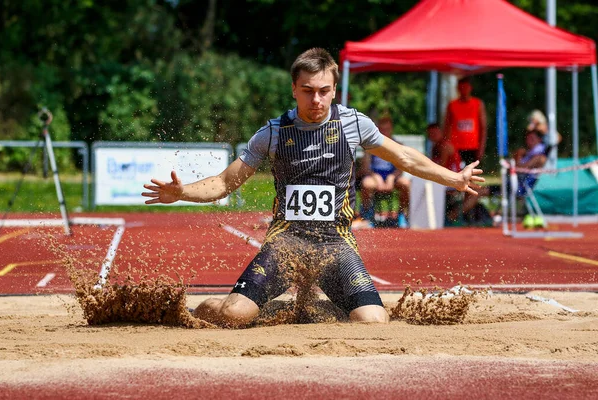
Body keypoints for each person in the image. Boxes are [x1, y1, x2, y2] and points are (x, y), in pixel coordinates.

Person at [142, 48, 484, 327]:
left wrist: (453, 178)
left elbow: (405, 157)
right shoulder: (272, 133)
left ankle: (312, 311)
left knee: (373, 321)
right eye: (307, 91)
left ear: (334, 90)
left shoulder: (353, 123)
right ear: (294, 89)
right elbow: (224, 182)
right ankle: (210, 307)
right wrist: (182, 192)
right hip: (285, 245)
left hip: (335, 247)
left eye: (323, 91)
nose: (316, 100)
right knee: (234, 315)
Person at [358, 115, 410, 226]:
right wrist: (377, 178)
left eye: (387, 129)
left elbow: (400, 169)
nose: (385, 132)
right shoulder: (370, 146)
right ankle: (368, 214)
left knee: (406, 183)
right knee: (366, 184)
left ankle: (402, 213)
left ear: (391, 129)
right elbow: (366, 168)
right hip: (375, 176)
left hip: (392, 176)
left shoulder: (398, 145)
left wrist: (391, 177)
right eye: (382, 130)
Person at [444, 76, 487, 165]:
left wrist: (481, 147)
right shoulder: (452, 105)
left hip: (473, 146)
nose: (463, 90)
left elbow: (483, 127)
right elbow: (447, 126)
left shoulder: (477, 104)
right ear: (457, 88)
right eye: (461, 88)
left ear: (470, 88)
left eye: (465, 87)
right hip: (455, 147)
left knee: (471, 174)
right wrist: (447, 144)